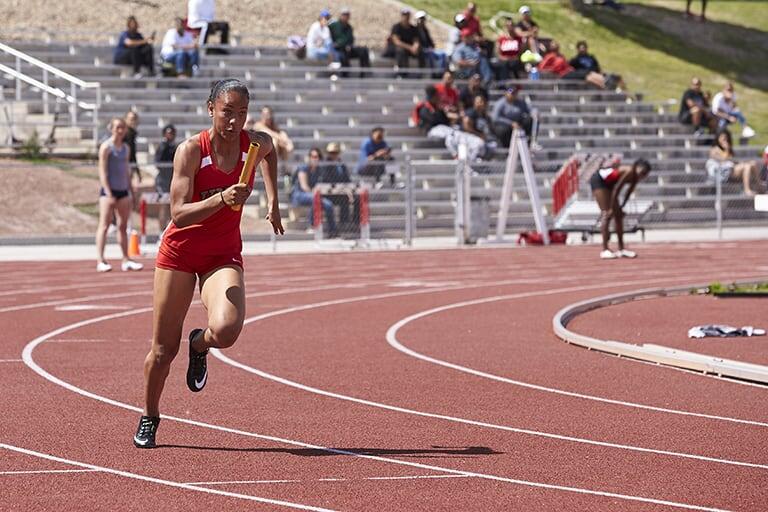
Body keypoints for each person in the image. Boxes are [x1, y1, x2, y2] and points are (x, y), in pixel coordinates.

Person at [133, 79, 283, 448]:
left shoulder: (254, 143)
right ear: (211, 108)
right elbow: (179, 214)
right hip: (180, 254)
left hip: (222, 252)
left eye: (242, 113)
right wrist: (222, 199)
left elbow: (271, 149)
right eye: (227, 112)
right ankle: (150, 415)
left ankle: (199, 345)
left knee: (228, 330)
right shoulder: (190, 151)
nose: (235, 121)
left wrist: (272, 200)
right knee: (163, 350)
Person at [95, 117, 143, 273]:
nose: (120, 130)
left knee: (123, 227)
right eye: (117, 128)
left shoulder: (126, 148)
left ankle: (126, 259)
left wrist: (131, 190)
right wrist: (108, 191)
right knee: (104, 225)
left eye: (123, 127)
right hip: (109, 192)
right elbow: (102, 171)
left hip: (123, 191)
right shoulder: (106, 147)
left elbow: (126, 172)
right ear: (112, 128)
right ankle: (101, 260)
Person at [590, 158, 652, 259]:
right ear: (637, 167)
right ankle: (605, 250)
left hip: (609, 185)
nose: (642, 176)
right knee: (606, 213)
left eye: (644, 175)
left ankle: (621, 249)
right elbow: (617, 189)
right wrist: (611, 208)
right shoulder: (629, 171)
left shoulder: (635, 177)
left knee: (618, 216)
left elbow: (628, 193)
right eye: (642, 172)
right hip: (599, 180)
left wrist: (621, 207)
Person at [416, 86, 487, 162]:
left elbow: (446, 121)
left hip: (445, 130)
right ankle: (456, 156)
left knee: (457, 134)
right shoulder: (425, 108)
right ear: (432, 97)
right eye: (436, 96)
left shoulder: (438, 108)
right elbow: (434, 121)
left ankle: (468, 157)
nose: (438, 97)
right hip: (432, 131)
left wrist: (451, 115)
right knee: (450, 135)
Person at [290, 147, 337, 236]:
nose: (315, 159)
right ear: (309, 157)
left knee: (328, 204)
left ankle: (332, 230)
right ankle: (312, 226)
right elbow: (304, 187)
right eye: (313, 156)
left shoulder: (319, 170)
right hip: (299, 195)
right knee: (315, 198)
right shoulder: (303, 168)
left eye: (317, 157)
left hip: (313, 195)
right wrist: (315, 192)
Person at [539, 41, 612, 90]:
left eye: (556, 44)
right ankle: (603, 85)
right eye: (553, 45)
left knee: (587, 73)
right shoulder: (550, 56)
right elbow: (541, 67)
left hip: (569, 72)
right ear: (550, 47)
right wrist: (553, 70)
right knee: (585, 74)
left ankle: (604, 82)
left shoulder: (561, 56)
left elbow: (567, 65)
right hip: (563, 75)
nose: (555, 46)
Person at [706, 130, 759, 196]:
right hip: (723, 173)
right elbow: (723, 160)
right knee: (747, 166)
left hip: (732, 169)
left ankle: (758, 186)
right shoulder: (714, 150)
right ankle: (747, 190)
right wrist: (727, 149)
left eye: (726, 138)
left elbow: (733, 160)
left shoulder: (729, 149)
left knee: (753, 163)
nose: (725, 140)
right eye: (723, 138)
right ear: (718, 138)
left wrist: (741, 162)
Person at [329, 7, 370, 76]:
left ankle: (364, 74)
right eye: (344, 14)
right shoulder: (334, 25)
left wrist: (349, 45)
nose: (346, 16)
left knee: (364, 50)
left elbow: (350, 40)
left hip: (348, 48)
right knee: (343, 56)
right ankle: (345, 75)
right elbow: (327, 35)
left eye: (347, 15)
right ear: (341, 15)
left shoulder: (349, 27)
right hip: (338, 49)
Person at [154, 124, 178, 231]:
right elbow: (158, 163)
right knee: (163, 206)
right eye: (168, 133)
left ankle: (170, 230)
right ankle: (161, 231)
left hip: (172, 180)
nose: (170, 135)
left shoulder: (174, 147)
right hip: (163, 182)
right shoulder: (162, 146)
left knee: (171, 207)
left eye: (172, 133)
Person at [390, 9, 424, 74]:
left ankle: (422, 73)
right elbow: (397, 42)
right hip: (398, 49)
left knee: (421, 52)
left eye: (407, 15)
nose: (406, 17)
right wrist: (410, 48)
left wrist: (415, 47)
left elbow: (416, 40)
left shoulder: (413, 28)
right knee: (401, 51)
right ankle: (402, 73)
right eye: (404, 15)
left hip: (410, 49)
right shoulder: (396, 27)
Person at [495, 16, 524, 80]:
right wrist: (503, 58)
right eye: (508, 26)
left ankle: (517, 84)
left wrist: (514, 57)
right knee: (503, 65)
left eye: (511, 25)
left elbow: (520, 52)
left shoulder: (518, 39)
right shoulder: (501, 39)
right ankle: (503, 84)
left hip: (514, 60)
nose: (510, 27)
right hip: (503, 60)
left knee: (514, 64)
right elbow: (497, 52)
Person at [124, 111, 141, 183]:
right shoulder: (124, 134)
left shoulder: (132, 133)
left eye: (134, 119)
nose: (133, 121)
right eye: (131, 119)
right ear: (126, 119)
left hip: (129, 163)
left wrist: (137, 171)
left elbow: (132, 152)